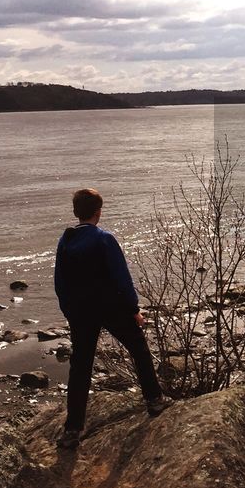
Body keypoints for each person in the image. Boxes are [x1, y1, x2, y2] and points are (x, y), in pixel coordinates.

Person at [53, 187, 170, 449]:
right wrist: (133, 309)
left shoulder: (66, 240)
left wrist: (69, 311)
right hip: (110, 308)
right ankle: (154, 400)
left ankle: (72, 430)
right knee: (138, 348)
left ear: (76, 212)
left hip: (81, 312)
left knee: (80, 367)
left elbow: (60, 282)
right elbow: (121, 278)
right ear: (99, 212)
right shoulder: (104, 239)